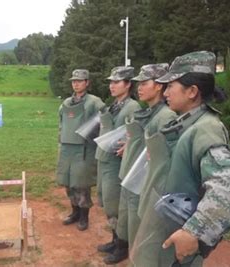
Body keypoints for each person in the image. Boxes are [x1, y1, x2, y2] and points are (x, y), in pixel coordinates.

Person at [130, 51, 230, 266]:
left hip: (177, 236)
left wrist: (194, 232)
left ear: (192, 91)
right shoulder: (188, 123)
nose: (166, 92)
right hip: (165, 226)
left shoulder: (206, 129)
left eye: (171, 85)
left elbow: (226, 190)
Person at [104, 64, 177, 264]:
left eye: (145, 83)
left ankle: (134, 257)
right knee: (126, 220)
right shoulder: (150, 112)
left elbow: (160, 155)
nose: (139, 88)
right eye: (139, 84)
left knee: (138, 225)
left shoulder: (166, 116)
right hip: (132, 175)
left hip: (143, 181)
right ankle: (123, 248)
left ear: (159, 87)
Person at [95, 66, 141, 256]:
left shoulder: (133, 107)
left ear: (128, 84)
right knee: (108, 201)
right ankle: (115, 239)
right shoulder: (113, 106)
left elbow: (137, 134)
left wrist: (128, 145)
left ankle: (122, 246)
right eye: (111, 82)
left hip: (117, 163)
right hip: (104, 159)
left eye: (116, 82)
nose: (112, 86)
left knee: (115, 204)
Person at [56, 69, 105, 231]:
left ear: (87, 83)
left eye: (79, 80)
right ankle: (74, 212)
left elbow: (105, 121)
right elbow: (61, 123)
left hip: (84, 150)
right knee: (69, 182)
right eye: (74, 81)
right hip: (67, 148)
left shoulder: (94, 102)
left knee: (81, 183)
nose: (76, 83)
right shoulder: (66, 103)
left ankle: (84, 216)